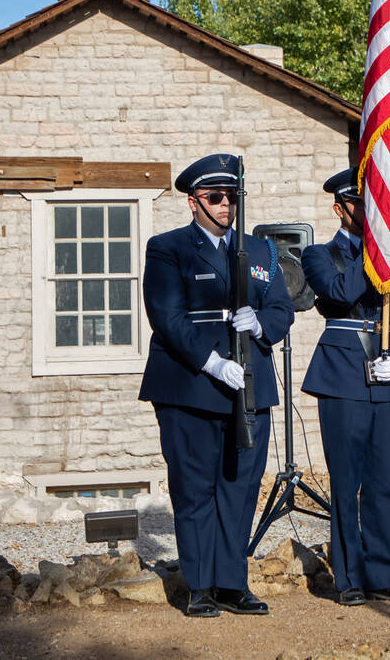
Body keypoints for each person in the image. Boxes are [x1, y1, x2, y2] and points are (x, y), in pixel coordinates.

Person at [138, 153, 295, 617]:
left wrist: (262, 323)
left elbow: (283, 309)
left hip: (251, 385)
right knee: (194, 488)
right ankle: (200, 585)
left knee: (240, 488)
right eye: (215, 197)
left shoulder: (261, 252)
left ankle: (232, 582)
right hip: (190, 385)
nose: (226, 205)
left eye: (232, 196)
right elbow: (166, 316)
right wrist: (211, 362)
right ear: (194, 202)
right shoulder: (168, 248)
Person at [300, 169, 390, 606]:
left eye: (373, 201)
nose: (368, 210)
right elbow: (339, 292)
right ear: (340, 208)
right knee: (346, 482)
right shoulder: (319, 255)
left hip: (386, 381)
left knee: (381, 483)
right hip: (343, 377)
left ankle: (384, 575)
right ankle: (349, 578)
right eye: (358, 202)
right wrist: (376, 249)